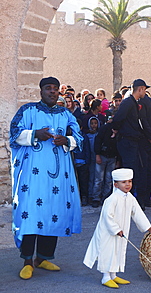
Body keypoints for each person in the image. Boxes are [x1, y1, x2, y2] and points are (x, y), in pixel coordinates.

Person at [10, 76, 83, 280]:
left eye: (55, 89)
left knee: (53, 212)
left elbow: (79, 137)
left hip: (58, 178)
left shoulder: (65, 114)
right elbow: (13, 134)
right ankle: (27, 261)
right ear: (41, 91)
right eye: (48, 88)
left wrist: (66, 140)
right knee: (31, 213)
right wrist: (34, 135)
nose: (52, 91)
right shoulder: (28, 111)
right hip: (32, 178)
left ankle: (42, 258)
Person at [83, 168, 151, 288]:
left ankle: (114, 275)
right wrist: (115, 229)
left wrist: (148, 227)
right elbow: (107, 216)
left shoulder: (130, 197)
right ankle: (105, 277)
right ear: (116, 184)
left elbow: (137, 212)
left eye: (129, 181)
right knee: (107, 251)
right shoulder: (111, 199)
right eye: (124, 182)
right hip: (108, 232)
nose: (127, 184)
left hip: (122, 230)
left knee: (118, 251)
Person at [112, 79, 151, 210]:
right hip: (128, 142)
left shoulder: (134, 103)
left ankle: (137, 202)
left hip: (136, 142)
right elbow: (118, 118)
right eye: (144, 89)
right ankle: (131, 202)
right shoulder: (128, 103)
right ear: (140, 89)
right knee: (131, 171)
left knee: (138, 171)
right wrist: (115, 129)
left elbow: (142, 122)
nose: (145, 92)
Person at [91, 120, 118, 208]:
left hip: (113, 156)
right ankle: (96, 198)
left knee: (109, 179)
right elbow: (98, 141)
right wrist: (97, 154)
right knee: (98, 178)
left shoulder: (120, 130)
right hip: (102, 154)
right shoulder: (105, 128)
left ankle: (106, 197)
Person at [73, 119, 91, 206]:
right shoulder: (71, 136)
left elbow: (87, 149)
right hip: (73, 163)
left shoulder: (84, 137)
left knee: (83, 181)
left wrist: (87, 161)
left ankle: (84, 197)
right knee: (75, 182)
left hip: (83, 162)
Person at [87, 117, 99, 205]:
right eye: (92, 123)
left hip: (98, 158)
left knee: (98, 178)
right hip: (90, 159)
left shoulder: (99, 134)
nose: (93, 125)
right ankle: (90, 195)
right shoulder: (87, 136)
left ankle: (97, 195)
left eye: (95, 123)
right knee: (91, 177)